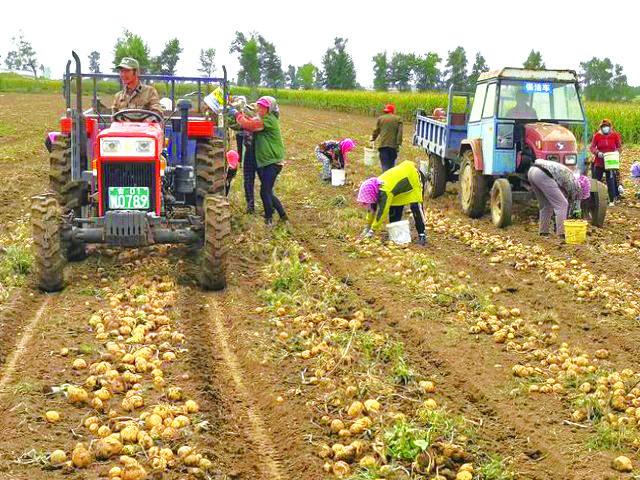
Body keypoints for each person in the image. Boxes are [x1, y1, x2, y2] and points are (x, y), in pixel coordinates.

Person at [233, 97, 287, 225]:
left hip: (272, 162)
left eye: (264, 107)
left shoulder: (269, 120)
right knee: (267, 191)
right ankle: (283, 216)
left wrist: (237, 114)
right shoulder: (263, 118)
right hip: (267, 161)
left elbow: (249, 125)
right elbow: (248, 123)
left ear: (270, 109)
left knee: (265, 191)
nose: (261, 109)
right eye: (260, 106)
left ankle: (268, 218)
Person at [358, 160, 427, 246]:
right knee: (394, 207)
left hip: (413, 177)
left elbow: (382, 212)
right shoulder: (374, 188)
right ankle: (396, 233)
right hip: (398, 186)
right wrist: (367, 227)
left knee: (415, 206)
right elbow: (371, 209)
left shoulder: (385, 191)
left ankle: (422, 234)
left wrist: (372, 230)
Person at [527, 159, 591, 239]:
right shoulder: (577, 186)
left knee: (546, 205)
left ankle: (543, 232)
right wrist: (576, 217)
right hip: (543, 174)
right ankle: (562, 234)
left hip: (532, 171)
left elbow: (562, 194)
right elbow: (575, 207)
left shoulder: (569, 178)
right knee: (562, 204)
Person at [590, 118, 622, 206]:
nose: (605, 128)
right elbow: (592, 147)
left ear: (610, 127)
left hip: (610, 162)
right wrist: (597, 153)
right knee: (597, 181)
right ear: (601, 127)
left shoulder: (615, 135)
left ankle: (611, 200)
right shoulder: (597, 136)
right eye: (603, 127)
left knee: (610, 180)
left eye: (607, 126)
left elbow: (619, 147)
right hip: (599, 162)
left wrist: (616, 152)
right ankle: (594, 200)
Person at [371, 103, 403, 172]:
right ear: (393, 111)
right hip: (393, 146)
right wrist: (398, 143)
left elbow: (376, 131)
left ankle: (385, 178)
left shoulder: (380, 119)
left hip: (383, 146)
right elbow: (400, 133)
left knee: (384, 164)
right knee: (391, 165)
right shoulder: (398, 119)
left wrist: (373, 138)